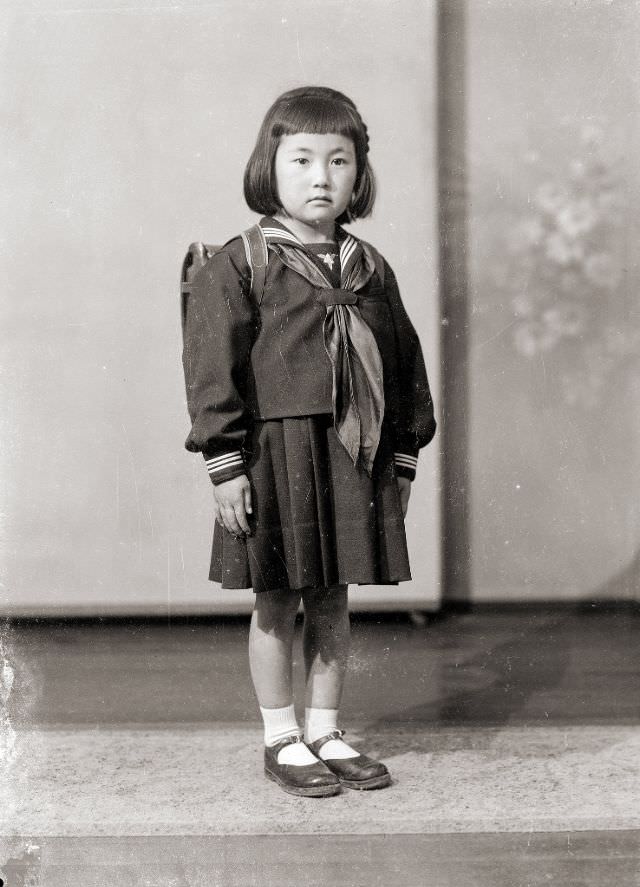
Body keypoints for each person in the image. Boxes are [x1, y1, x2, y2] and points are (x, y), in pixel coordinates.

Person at [182, 86, 437, 797]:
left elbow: (405, 363)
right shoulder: (241, 261)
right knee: (278, 596)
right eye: (301, 160)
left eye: (339, 161)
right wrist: (225, 465)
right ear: (271, 167)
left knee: (332, 597)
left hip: (352, 455)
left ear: (359, 175)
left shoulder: (370, 266)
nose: (321, 176)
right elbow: (210, 368)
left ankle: (324, 727)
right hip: (276, 455)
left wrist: (404, 457)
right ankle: (281, 736)